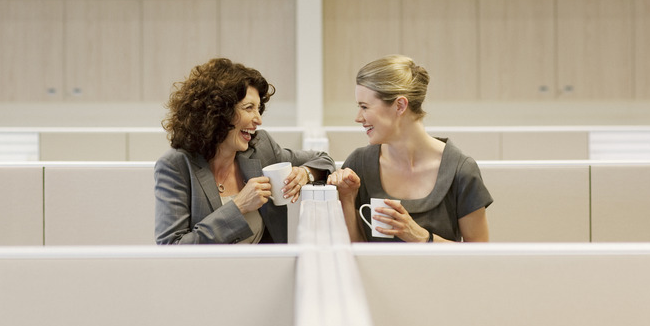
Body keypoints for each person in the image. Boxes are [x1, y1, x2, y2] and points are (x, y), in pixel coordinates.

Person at [154, 57, 335, 244]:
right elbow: (172, 247)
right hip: (208, 273)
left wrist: (306, 173)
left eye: (259, 109)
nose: (258, 120)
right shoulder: (176, 166)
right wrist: (238, 206)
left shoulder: (260, 147)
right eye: (249, 108)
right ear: (218, 112)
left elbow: (324, 160)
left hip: (266, 269)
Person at [327, 55, 492, 243]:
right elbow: (355, 251)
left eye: (364, 107)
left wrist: (422, 237)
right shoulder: (359, 164)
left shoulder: (460, 170)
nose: (358, 117)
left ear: (400, 105)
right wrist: (346, 199)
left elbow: (479, 255)